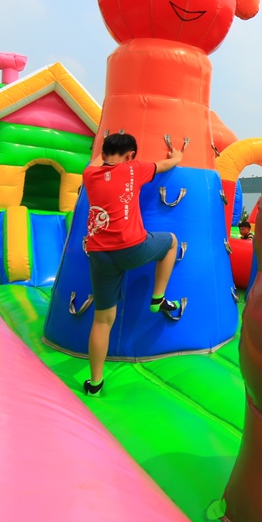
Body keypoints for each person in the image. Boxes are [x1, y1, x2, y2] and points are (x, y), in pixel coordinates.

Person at [81, 132, 186, 395]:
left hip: (98, 254)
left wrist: (102, 142)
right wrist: (177, 156)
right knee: (172, 241)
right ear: (130, 156)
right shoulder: (134, 169)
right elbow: (164, 165)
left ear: (104, 154)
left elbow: (95, 161)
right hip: (131, 248)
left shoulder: (89, 175)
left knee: (103, 320)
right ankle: (158, 298)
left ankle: (95, 383)